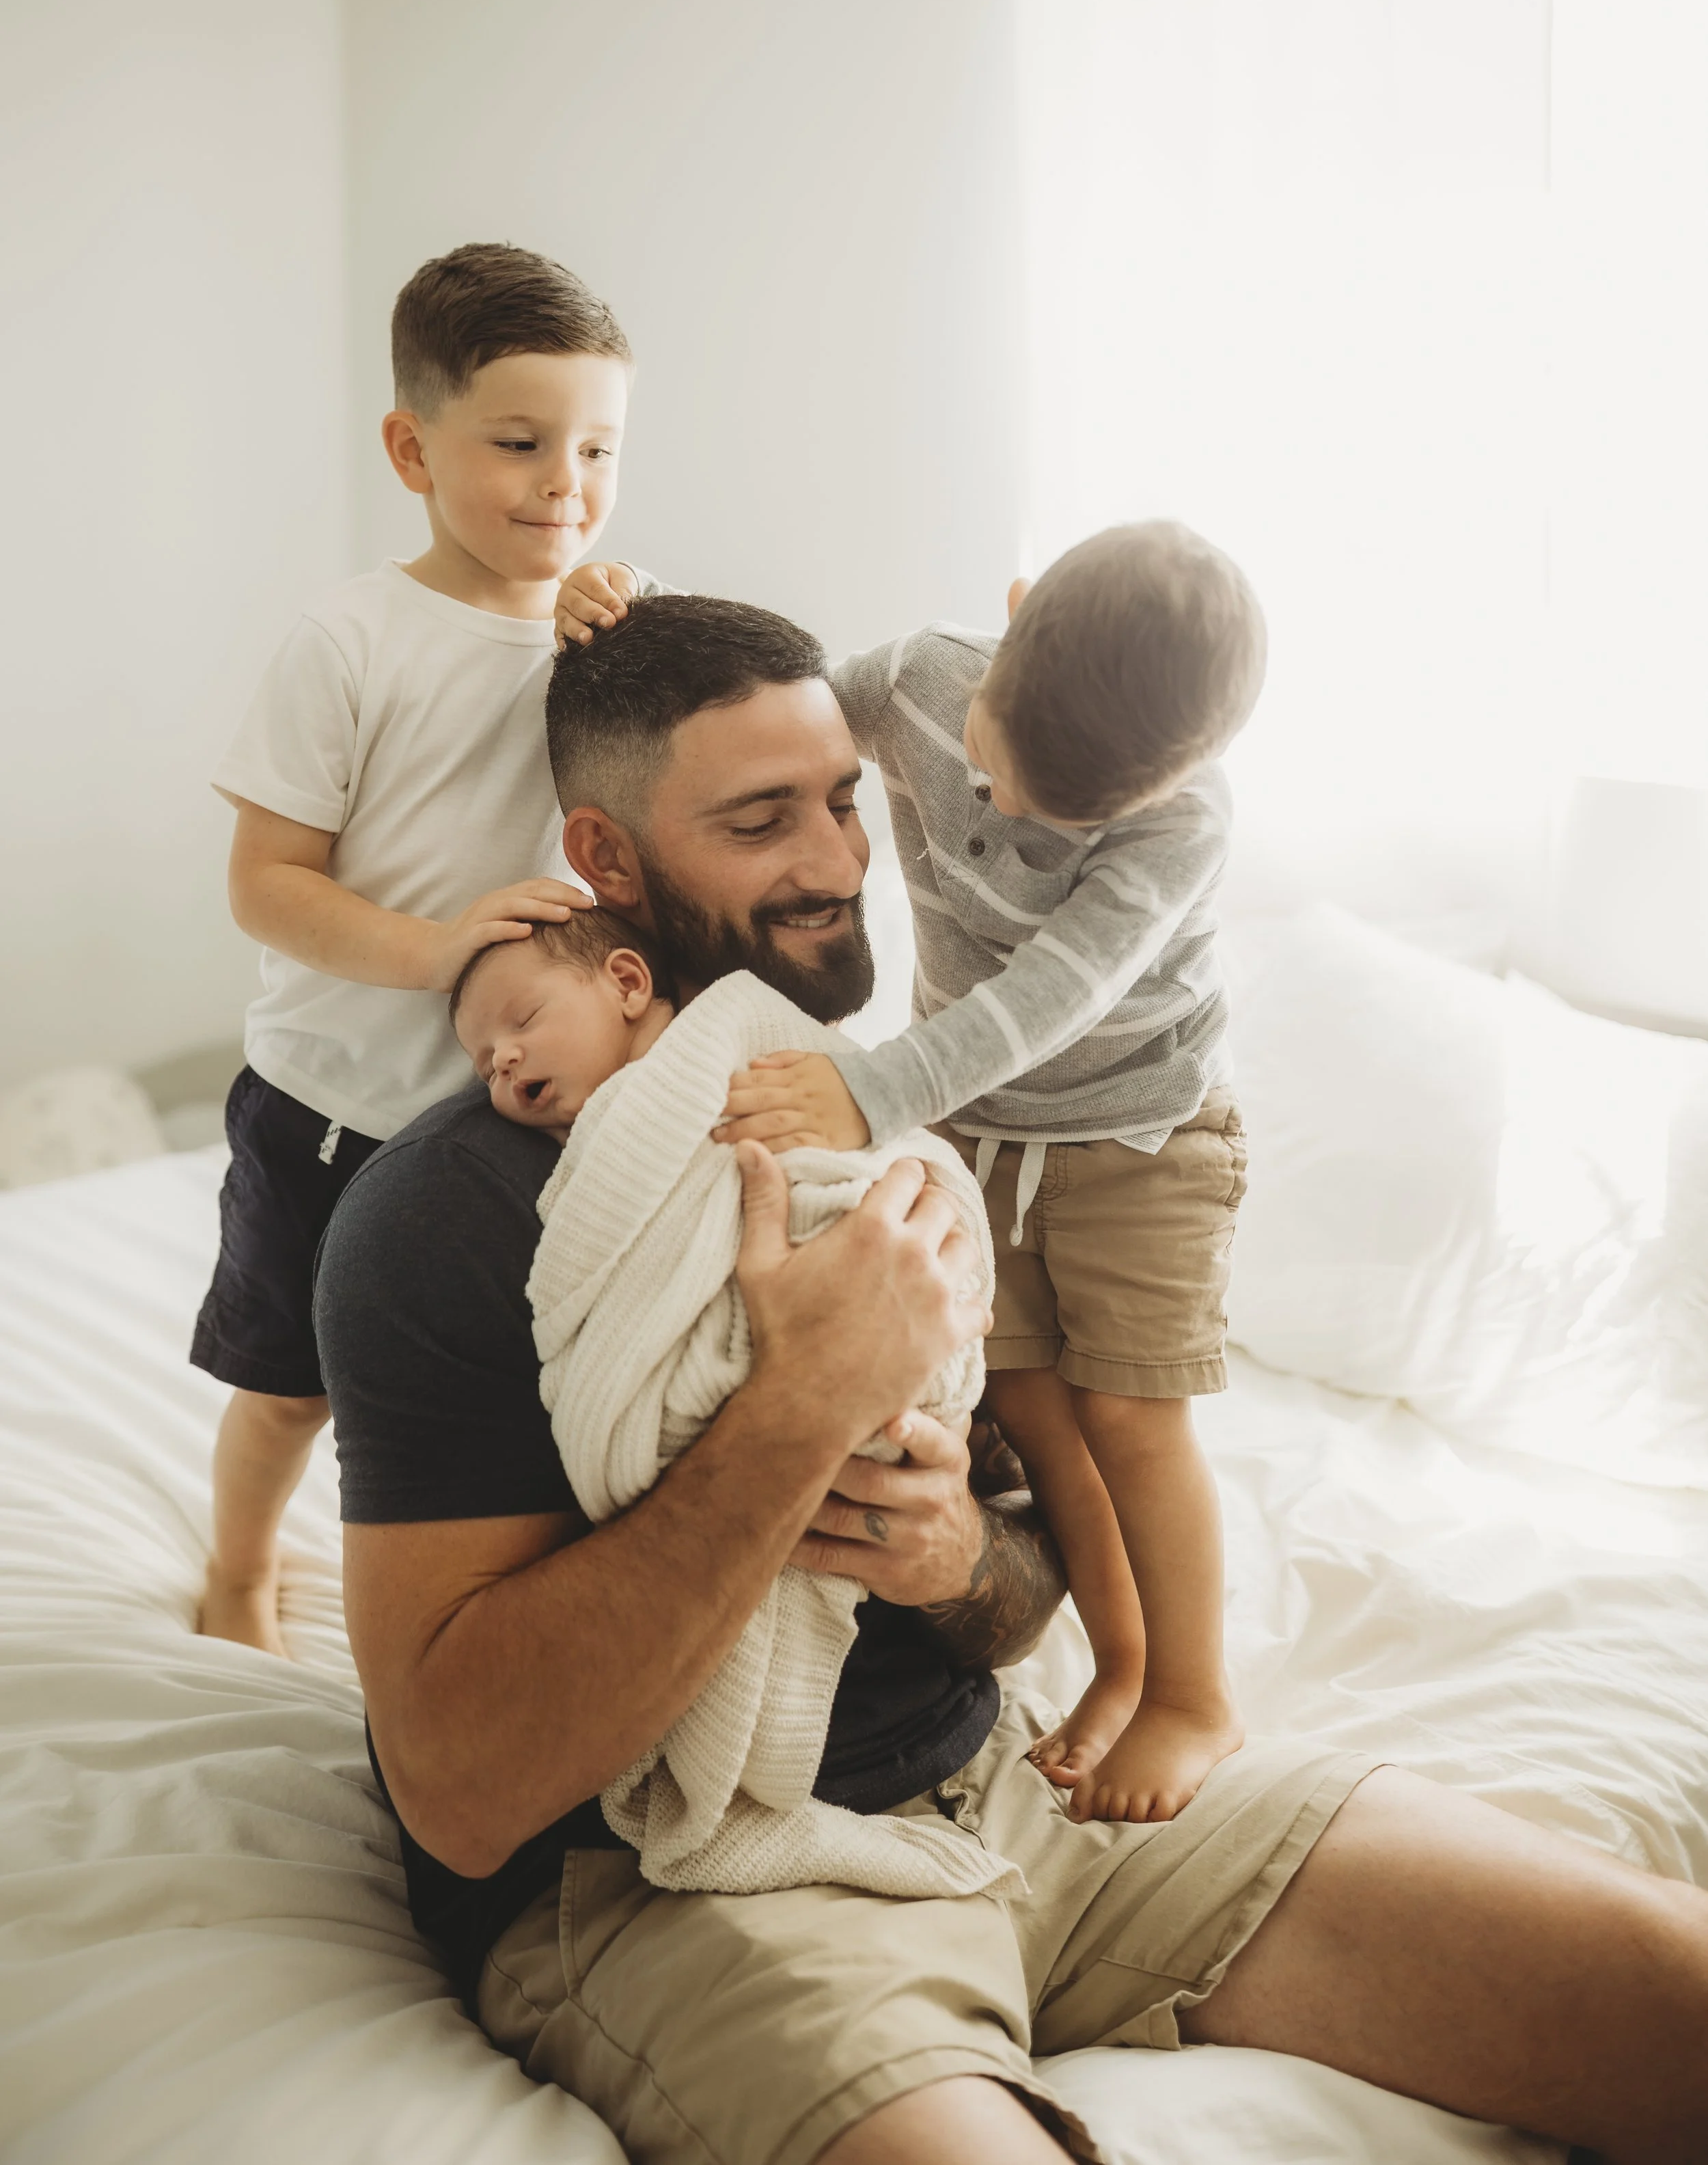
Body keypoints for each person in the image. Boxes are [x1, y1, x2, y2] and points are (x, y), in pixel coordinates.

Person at [318, 594, 1708, 2165]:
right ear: (611, 860)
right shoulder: (447, 1218)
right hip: (688, 1875)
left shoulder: (902, 1138)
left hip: (1028, 1782)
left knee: (1666, 1981)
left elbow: (1024, 1582)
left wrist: (952, 1555)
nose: (842, 861)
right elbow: (461, 1788)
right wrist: (795, 1406)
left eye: (846, 797)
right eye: (763, 818)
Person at [564, 526, 1261, 1827]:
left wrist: (876, 1090)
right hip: (991, 1127)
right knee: (1038, 1409)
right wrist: (647, 614)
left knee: (1131, 1418)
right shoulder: (928, 678)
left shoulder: (1182, 820)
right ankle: (1123, 1667)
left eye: (1060, 817)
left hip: (1139, 1138)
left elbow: (1057, 994)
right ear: (1007, 619)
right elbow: (777, 719)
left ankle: (1196, 1694)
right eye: (994, 772)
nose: (996, 811)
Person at [190, 241, 631, 1653]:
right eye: (520, 444)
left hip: (495, 1119)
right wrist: (437, 951)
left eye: (597, 448)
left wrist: (619, 635)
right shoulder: (349, 640)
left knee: (490, 1383)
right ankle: (246, 1571)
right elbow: (266, 884)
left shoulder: (595, 638)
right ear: (411, 448)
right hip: (332, 1100)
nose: (565, 484)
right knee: (291, 1385)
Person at [450, 907, 676, 1136]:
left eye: (527, 1018)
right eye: (489, 1072)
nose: (500, 1060)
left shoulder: (709, 1042)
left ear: (626, 985)